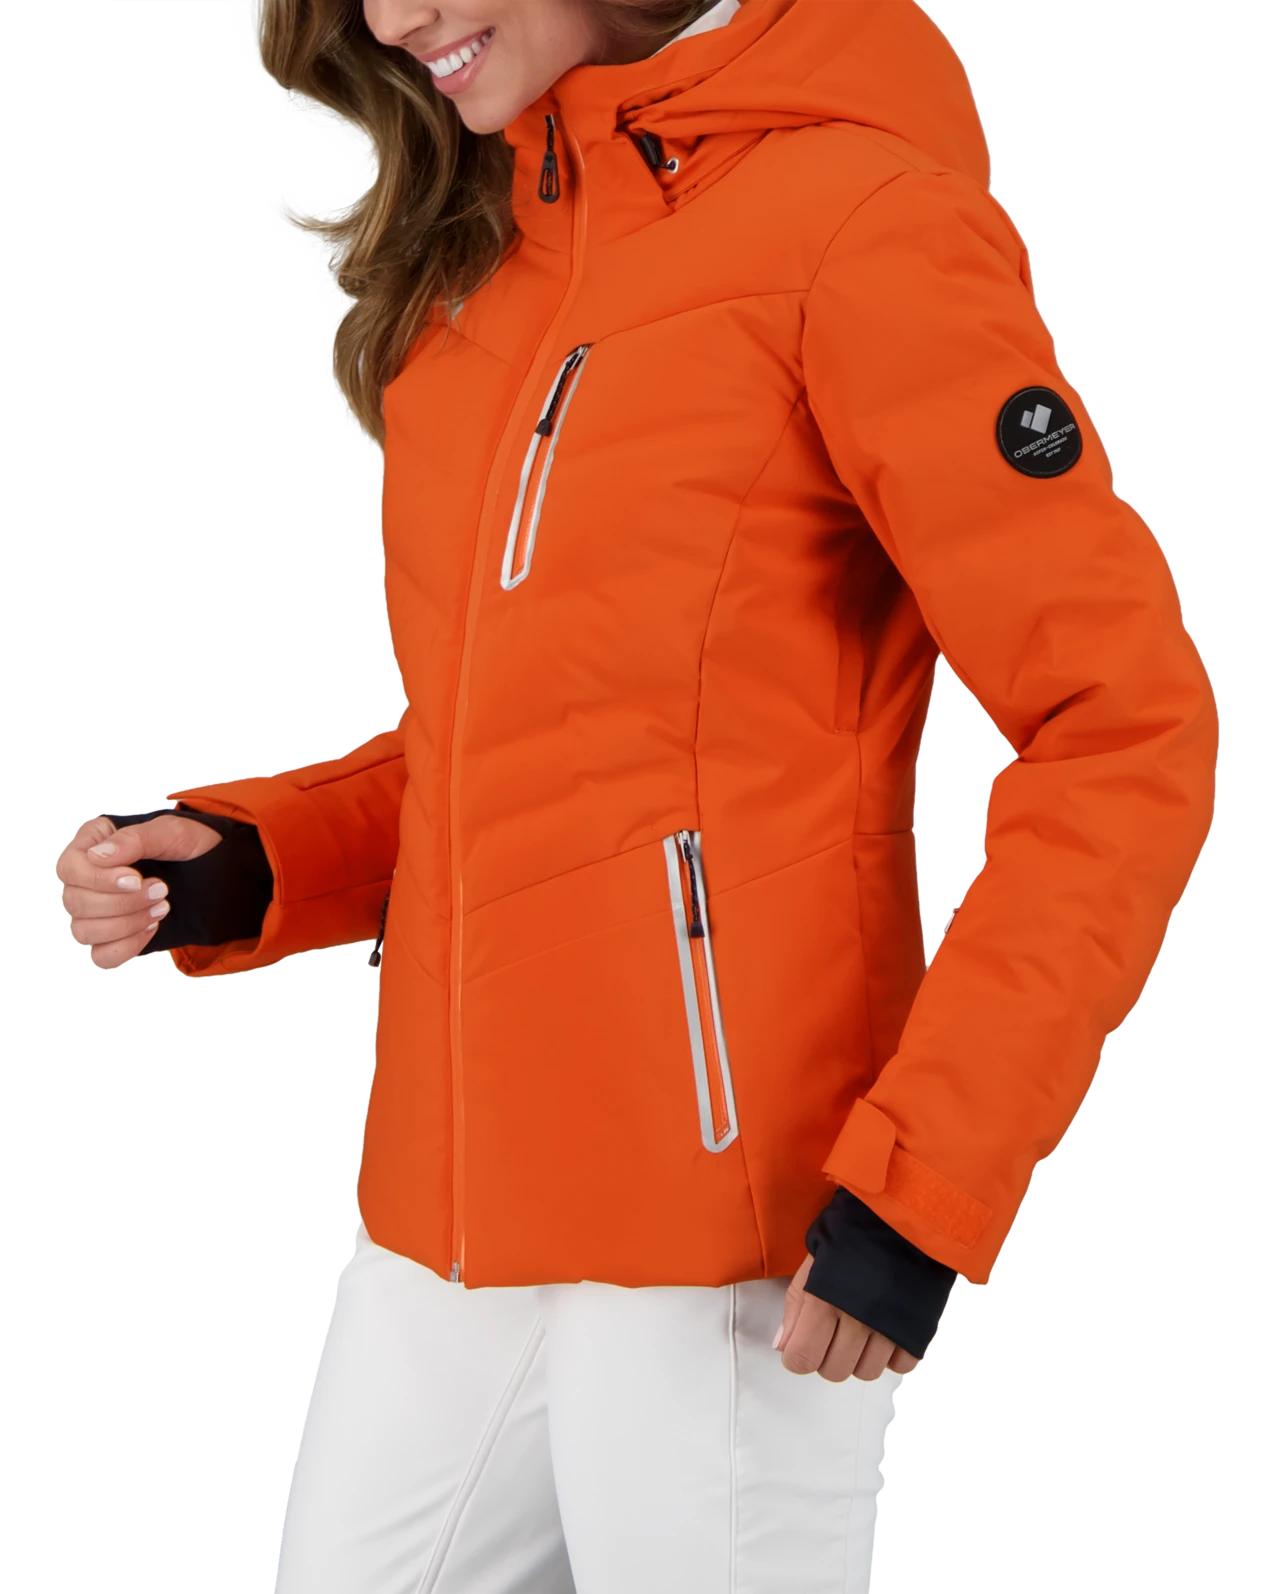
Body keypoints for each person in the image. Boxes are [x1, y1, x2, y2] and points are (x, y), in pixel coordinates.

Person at [55, 1, 1218, 1589]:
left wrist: (923, 1184)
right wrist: (252, 861)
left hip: (721, 1238)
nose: (393, 16)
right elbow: (531, 740)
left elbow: (1122, 729)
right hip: (452, 1206)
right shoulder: (496, 251)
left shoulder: (855, 220)